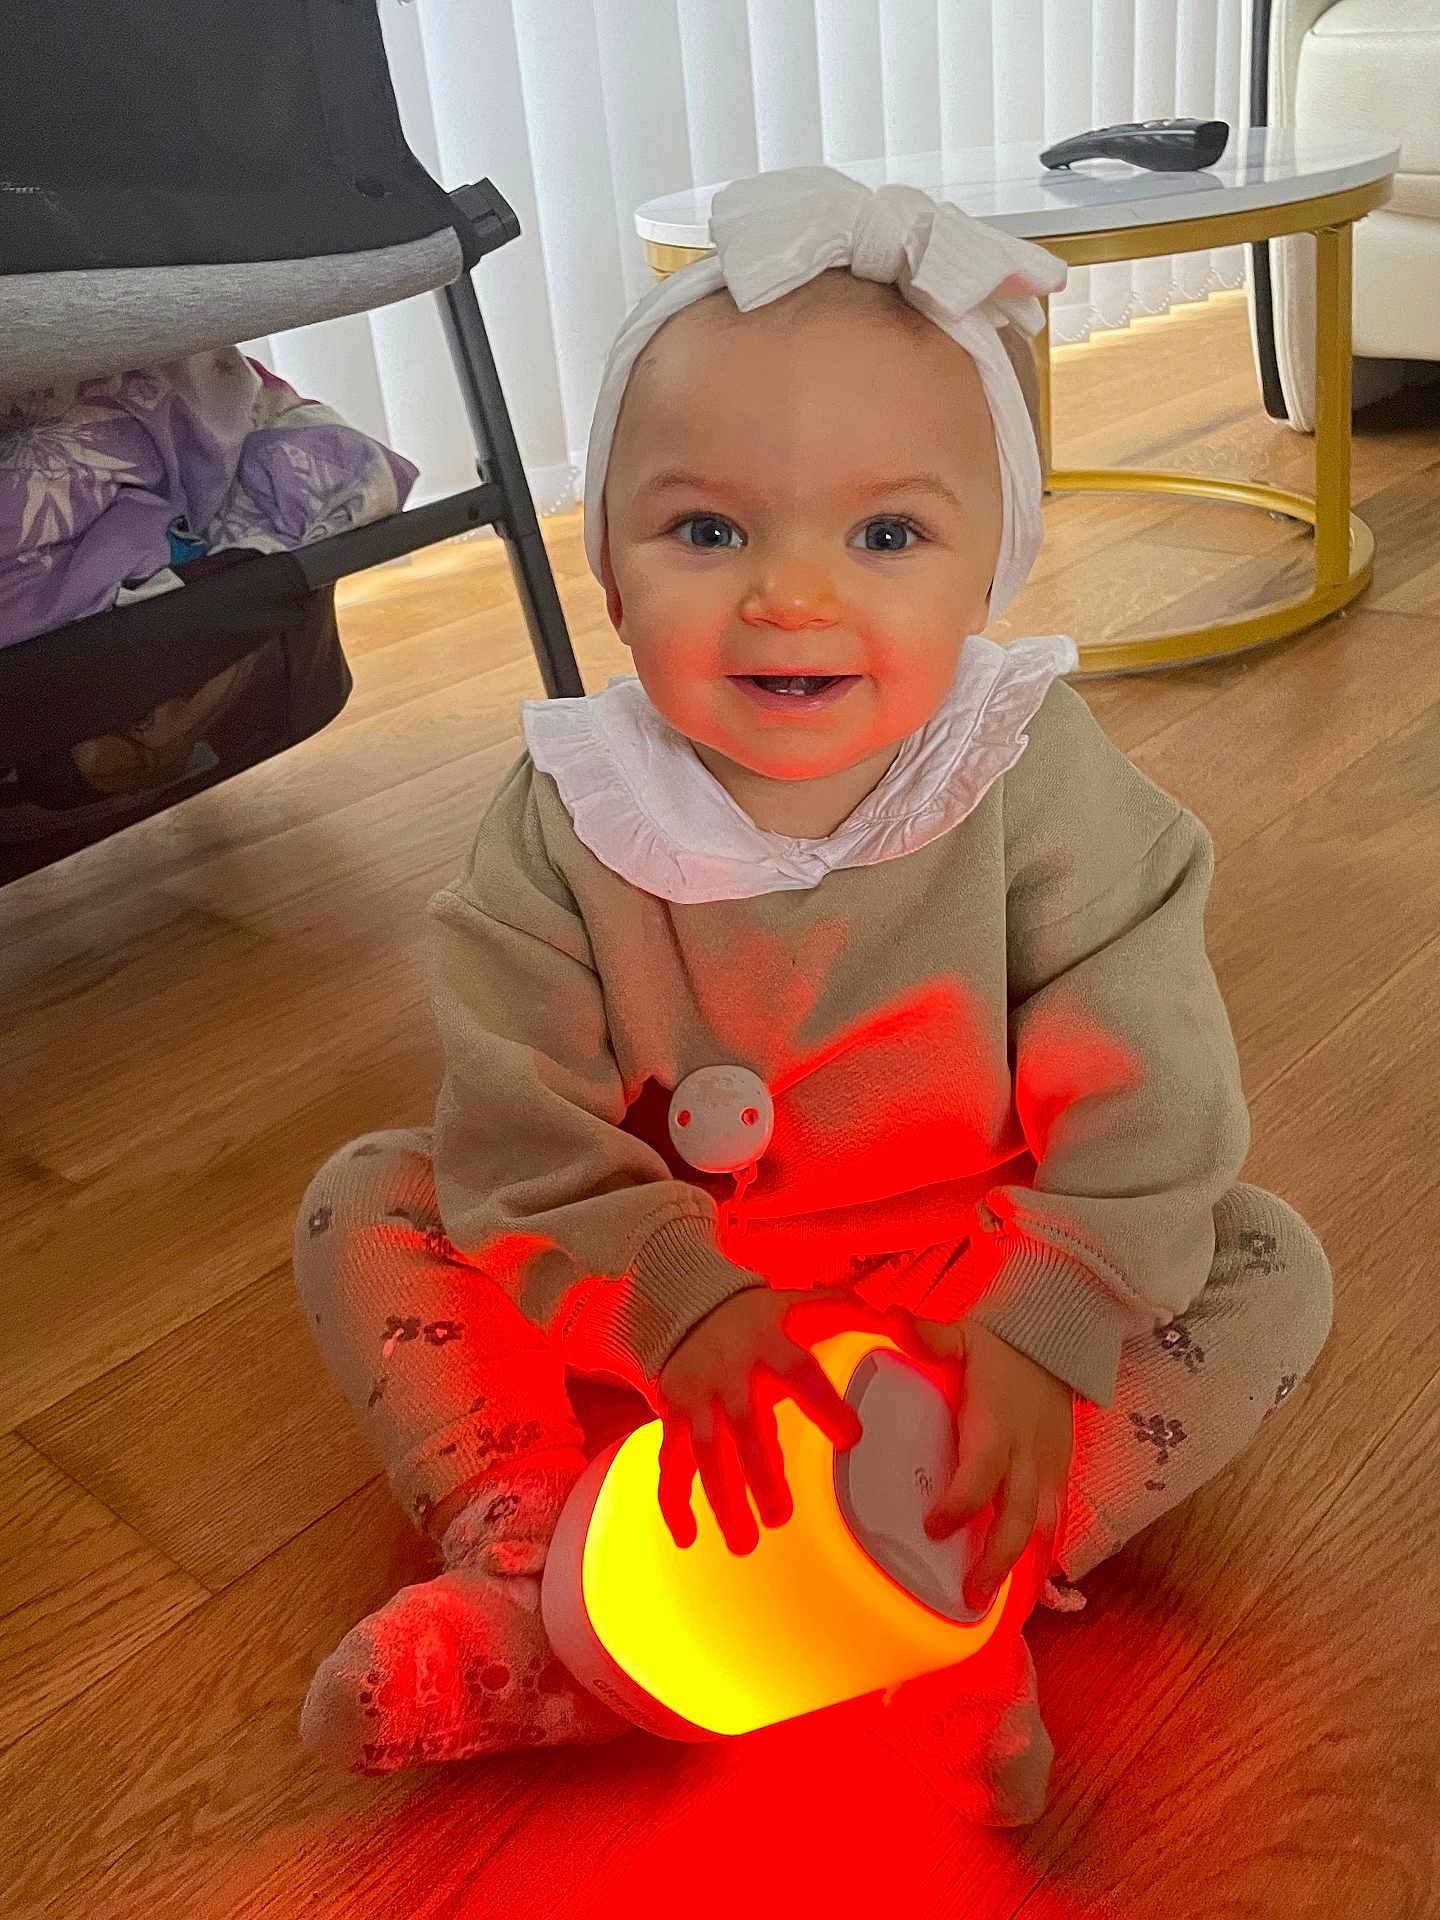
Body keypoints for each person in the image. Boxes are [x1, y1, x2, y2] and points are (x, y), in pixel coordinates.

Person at [292, 166, 1332, 1824]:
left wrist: (1045, 1323)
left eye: (887, 533)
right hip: (671, 1298)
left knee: (1265, 1262)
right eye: (709, 529)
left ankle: (949, 1579)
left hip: (958, 1280)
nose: (791, 594)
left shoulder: (1033, 782)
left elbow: (1150, 1081)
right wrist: (675, 1297)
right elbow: (517, 1125)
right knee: (372, 1202)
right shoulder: (569, 823)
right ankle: (537, 1567)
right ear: (610, 579)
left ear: (992, 570)